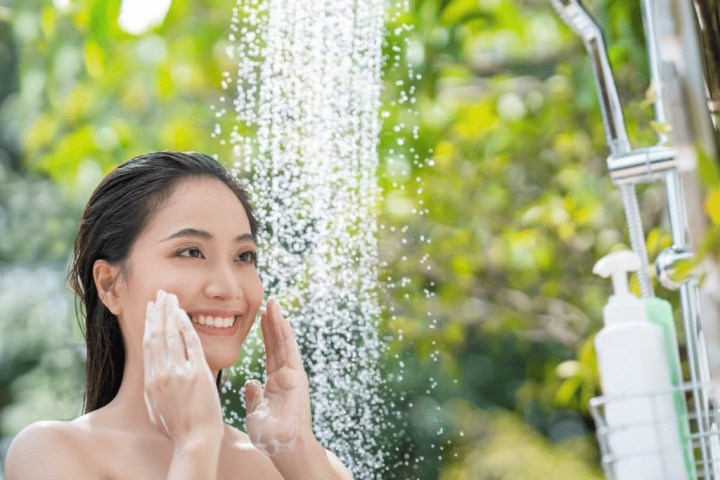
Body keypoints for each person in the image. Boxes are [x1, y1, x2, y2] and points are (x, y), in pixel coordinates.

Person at [4, 151, 353, 479]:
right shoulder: (52, 453)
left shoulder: (302, 464)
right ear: (110, 285)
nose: (228, 288)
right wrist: (195, 443)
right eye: (191, 252)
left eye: (244, 256)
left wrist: (298, 453)